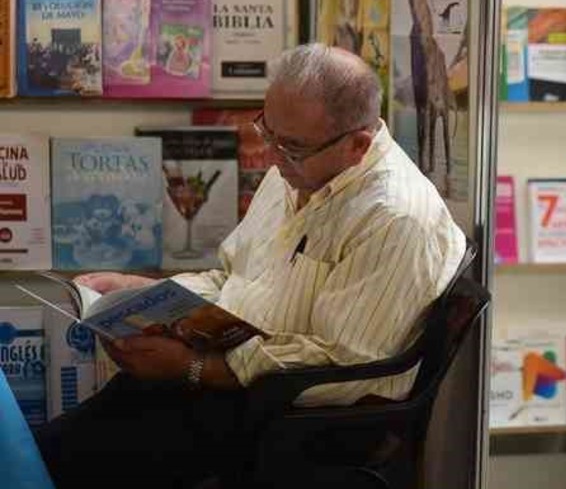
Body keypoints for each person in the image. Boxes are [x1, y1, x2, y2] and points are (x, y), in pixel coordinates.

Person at [37, 44, 468, 489]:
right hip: (240, 380)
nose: (272, 157)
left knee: (109, 448)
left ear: (358, 145)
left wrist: (194, 368)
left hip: (309, 420)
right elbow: (234, 275)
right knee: (121, 405)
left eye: (292, 147)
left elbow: (343, 367)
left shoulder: (396, 218)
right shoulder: (297, 168)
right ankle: (33, 459)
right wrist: (145, 291)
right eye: (268, 132)